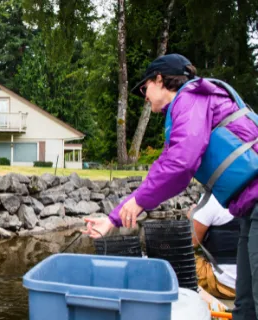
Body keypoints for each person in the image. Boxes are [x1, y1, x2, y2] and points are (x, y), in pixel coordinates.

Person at [82, 53, 257, 320]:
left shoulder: (191, 98)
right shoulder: (188, 110)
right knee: (246, 304)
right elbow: (164, 169)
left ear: (161, 79)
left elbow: (181, 163)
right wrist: (113, 218)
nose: (144, 95)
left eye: (145, 87)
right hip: (248, 211)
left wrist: (137, 203)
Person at [187, 194, 239, 299]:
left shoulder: (213, 198)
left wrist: (192, 216)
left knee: (178, 259)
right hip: (252, 285)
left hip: (225, 284)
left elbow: (192, 242)